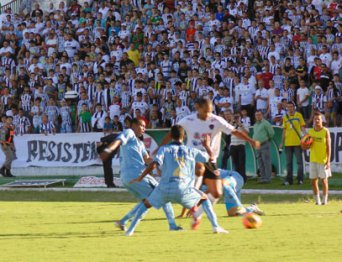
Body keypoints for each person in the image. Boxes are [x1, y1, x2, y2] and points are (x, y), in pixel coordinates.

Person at [158, 98, 260, 219]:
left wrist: (250, 140)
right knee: (229, 210)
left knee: (215, 190)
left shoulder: (217, 120)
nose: (208, 114)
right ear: (197, 107)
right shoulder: (188, 120)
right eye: (206, 111)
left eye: (210, 110)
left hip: (219, 167)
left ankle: (197, 213)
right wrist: (159, 149)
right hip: (195, 161)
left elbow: (235, 132)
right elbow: (171, 133)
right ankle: (194, 213)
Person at [127, 125, 228, 236]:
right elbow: (211, 159)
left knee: (146, 204)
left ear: (171, 136)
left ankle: (130, 231)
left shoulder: (164, 149)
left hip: (164, 188)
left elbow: (154, 164)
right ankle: (215, 226)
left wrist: (140, 177)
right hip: (184, 189)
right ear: (183, 136)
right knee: (205, 200)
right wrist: (207, 146)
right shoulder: (191, 150)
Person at [99, 118, 181, 232]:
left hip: (135, 175)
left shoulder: (140, 143)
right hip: (134, 175)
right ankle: (172, 226)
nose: (144, 128)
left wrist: (158, 164)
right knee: (157, 197)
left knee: (148, 201)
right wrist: (108, 150)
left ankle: (123, 221)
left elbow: (147, 159)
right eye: (142, 125)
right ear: (133, 125)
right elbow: (118, 141)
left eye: (145, 126)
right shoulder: (129, 133)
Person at [308, 112, 331, 205]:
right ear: (313, 120)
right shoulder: (310, 132)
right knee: (313, 181)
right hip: (313, 159)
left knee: (324, 181)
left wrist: (328, 161)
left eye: (318, 119)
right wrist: (305, 145)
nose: (317, 121)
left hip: (323, 160)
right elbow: (307, 145)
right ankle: (317, 201)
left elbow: (329, 146)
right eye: (315, 119)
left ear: (322, 120)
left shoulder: (325, 131)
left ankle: (324, 201)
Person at [280, 102, 306, 185]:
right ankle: (289, 180)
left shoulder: (299, 115)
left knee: (299, 162)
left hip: (298, 142)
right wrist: (281, 142)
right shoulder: (285, 117)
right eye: (288, 107)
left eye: (291, 107)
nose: (290, 108)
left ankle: (300, 179)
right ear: (287, 108)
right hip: (288, 143)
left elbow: (302, 127)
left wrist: (305, 137)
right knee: (288, 163)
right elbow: (284, 130)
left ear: (294, 107)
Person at [253, 110, 275, 183]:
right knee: (260, 162)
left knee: (266, 161)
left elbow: (271, 133)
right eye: (256, 115)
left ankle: (268, 178)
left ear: (262, 115)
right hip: (257, 145)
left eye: (259, 115)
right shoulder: (255, 124)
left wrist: (266, 139)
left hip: (264, 144)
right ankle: (262, 177)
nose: (258, 116)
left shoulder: (266, 123)